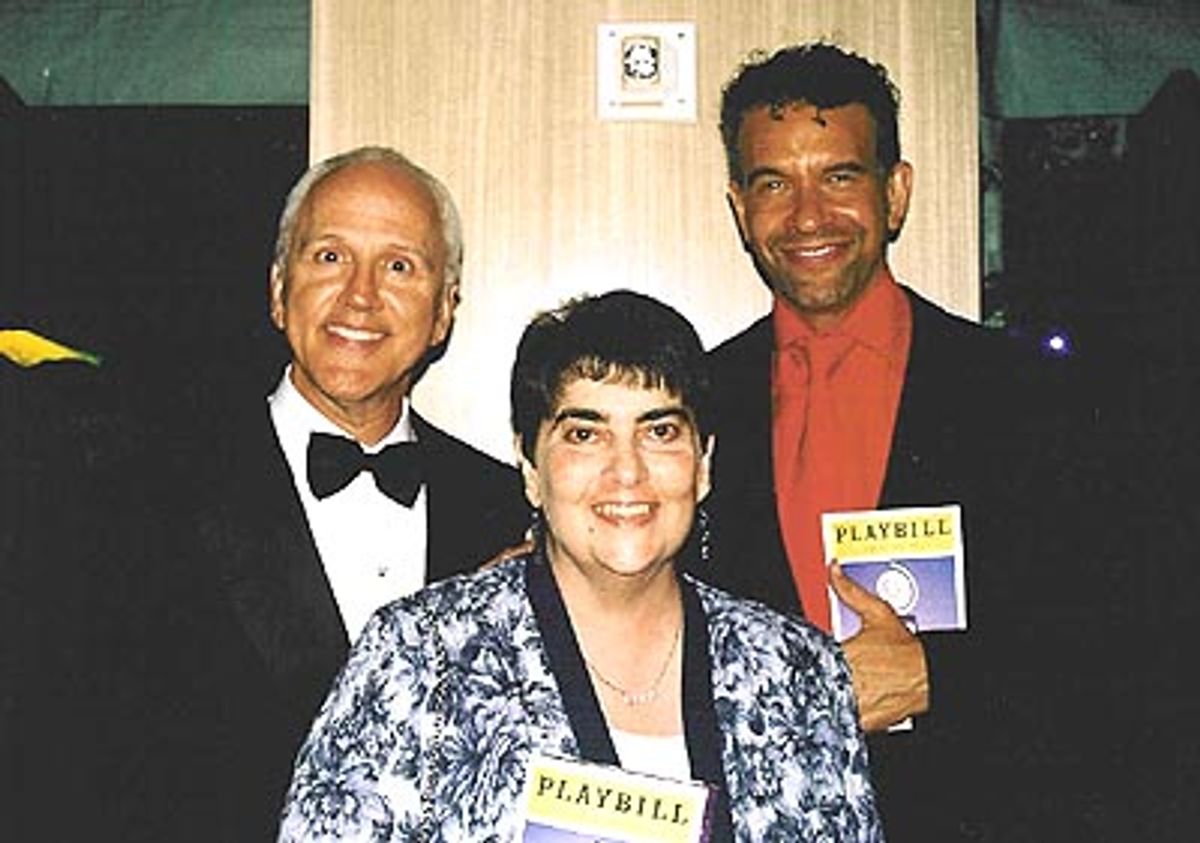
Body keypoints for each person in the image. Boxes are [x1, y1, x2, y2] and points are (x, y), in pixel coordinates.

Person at [8, 146, 529, 840]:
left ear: (444, 312)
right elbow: (63, 747)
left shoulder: (506, 508)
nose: (361, 296)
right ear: (279, 290)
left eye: (400, 265)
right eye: (330, 258)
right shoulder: (139, 487)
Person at [277, 290, 885, 841]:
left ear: (703, 464)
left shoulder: (799, 673)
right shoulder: (419, 655)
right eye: (584, 435)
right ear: (530, 467)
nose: (627, 471)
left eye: (661, 431)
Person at [700, 43, 1094, 838]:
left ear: (896, 191)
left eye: (839, 176)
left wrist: (940, 676)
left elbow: (1115, 641)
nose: (808, 215)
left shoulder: (1026, 396)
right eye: (775, 183)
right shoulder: (693, 402)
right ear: (742, 208)